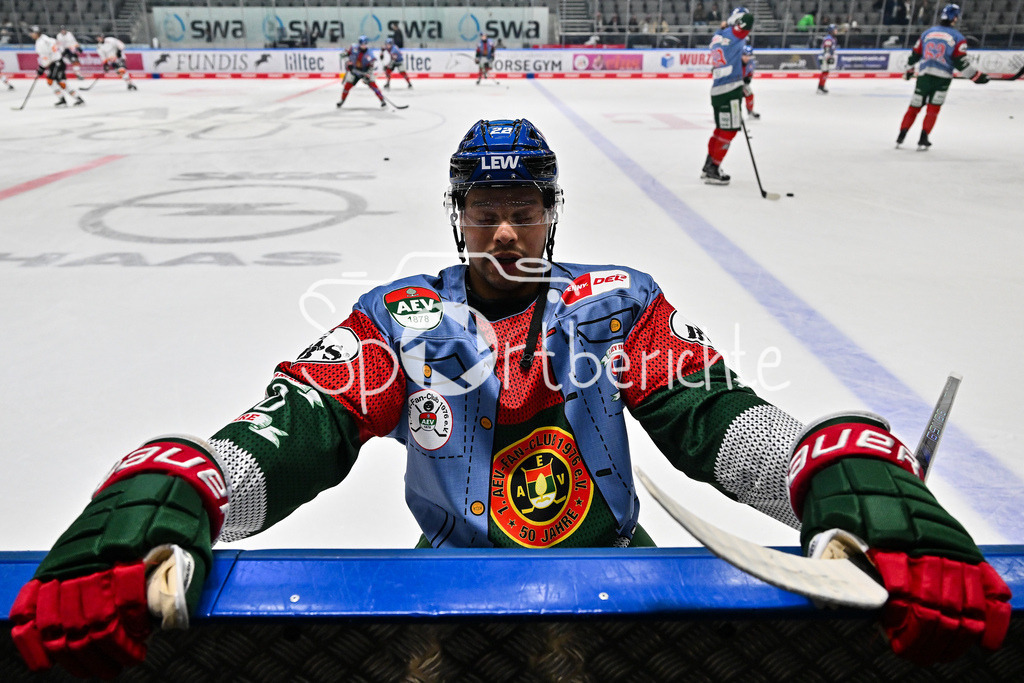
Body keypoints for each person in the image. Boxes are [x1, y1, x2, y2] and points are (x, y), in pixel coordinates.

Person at [7, 117, 1013, 679]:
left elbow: (710, 414)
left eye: (521, 212)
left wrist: (824, 462)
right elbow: (297, 423)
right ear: (458, 216)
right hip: (446, 582)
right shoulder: (396, 319)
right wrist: (184, 483)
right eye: (484, 212)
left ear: (548, 215)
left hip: (614, 580)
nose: (502, 234)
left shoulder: (616, 303)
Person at [896, 4, 989, 149]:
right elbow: (960, 62)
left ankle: (901, 136)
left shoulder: (927, 33)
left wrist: (908, 71)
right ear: (955, 18)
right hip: (942, 79)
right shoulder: (958, 37)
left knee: (914, 107)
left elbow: (915, 54)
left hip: (924, 77)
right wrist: (976, 77)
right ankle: (923, 138)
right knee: (933, 109)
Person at [702, 7, 756, 185]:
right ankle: (713, 169)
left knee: (720, 129)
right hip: (730, 88)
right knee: (729, 130)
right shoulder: (734, 34)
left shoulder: (718, 35)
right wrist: (737, 20)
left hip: (717, 88)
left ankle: (709, 165)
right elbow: (749, 18)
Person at [29, 26, 84, 107]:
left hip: (56, 64)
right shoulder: (45, 38)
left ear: (36, 33)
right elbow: (56, 47)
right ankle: (77, 99)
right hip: (58, 62)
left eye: (32, 33)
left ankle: (63, 100)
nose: (31, 35)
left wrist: (41, 68)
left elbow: (47, 59)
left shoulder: (41, 43)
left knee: (51, 81)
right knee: (62, 83)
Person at [337, 36, 386, 109]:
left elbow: (371, 66)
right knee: (347, 86)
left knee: (374, 86)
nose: (363, 45)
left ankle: (382, 100)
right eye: (361, 44)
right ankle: (342, 100)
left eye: (364, 44)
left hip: (365, 72)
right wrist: (348, 63)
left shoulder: (370, 54)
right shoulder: (353, 48)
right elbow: (344, 55)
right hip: (355, 71)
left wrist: (368, 75)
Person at [817, 24, 838, 94]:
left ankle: (822, 86)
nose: (836, 30)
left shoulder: (832, 38)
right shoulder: (829, 38)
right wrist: (828, 57)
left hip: (825, 57)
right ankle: (820, 87)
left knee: (825, 72)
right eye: (835, 29)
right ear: (831, 31)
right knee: (825, 72)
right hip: (824, 58)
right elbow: (827, 49)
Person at [741, 44, 759, 118]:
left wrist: (748, 79)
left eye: (748, 56)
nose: (746, 58)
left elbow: (749, 74)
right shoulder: (735, 62)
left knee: (750, 95)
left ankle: (750, 111)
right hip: (732, 83)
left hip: (742, 83)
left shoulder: (751, 63)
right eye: (745, 55)